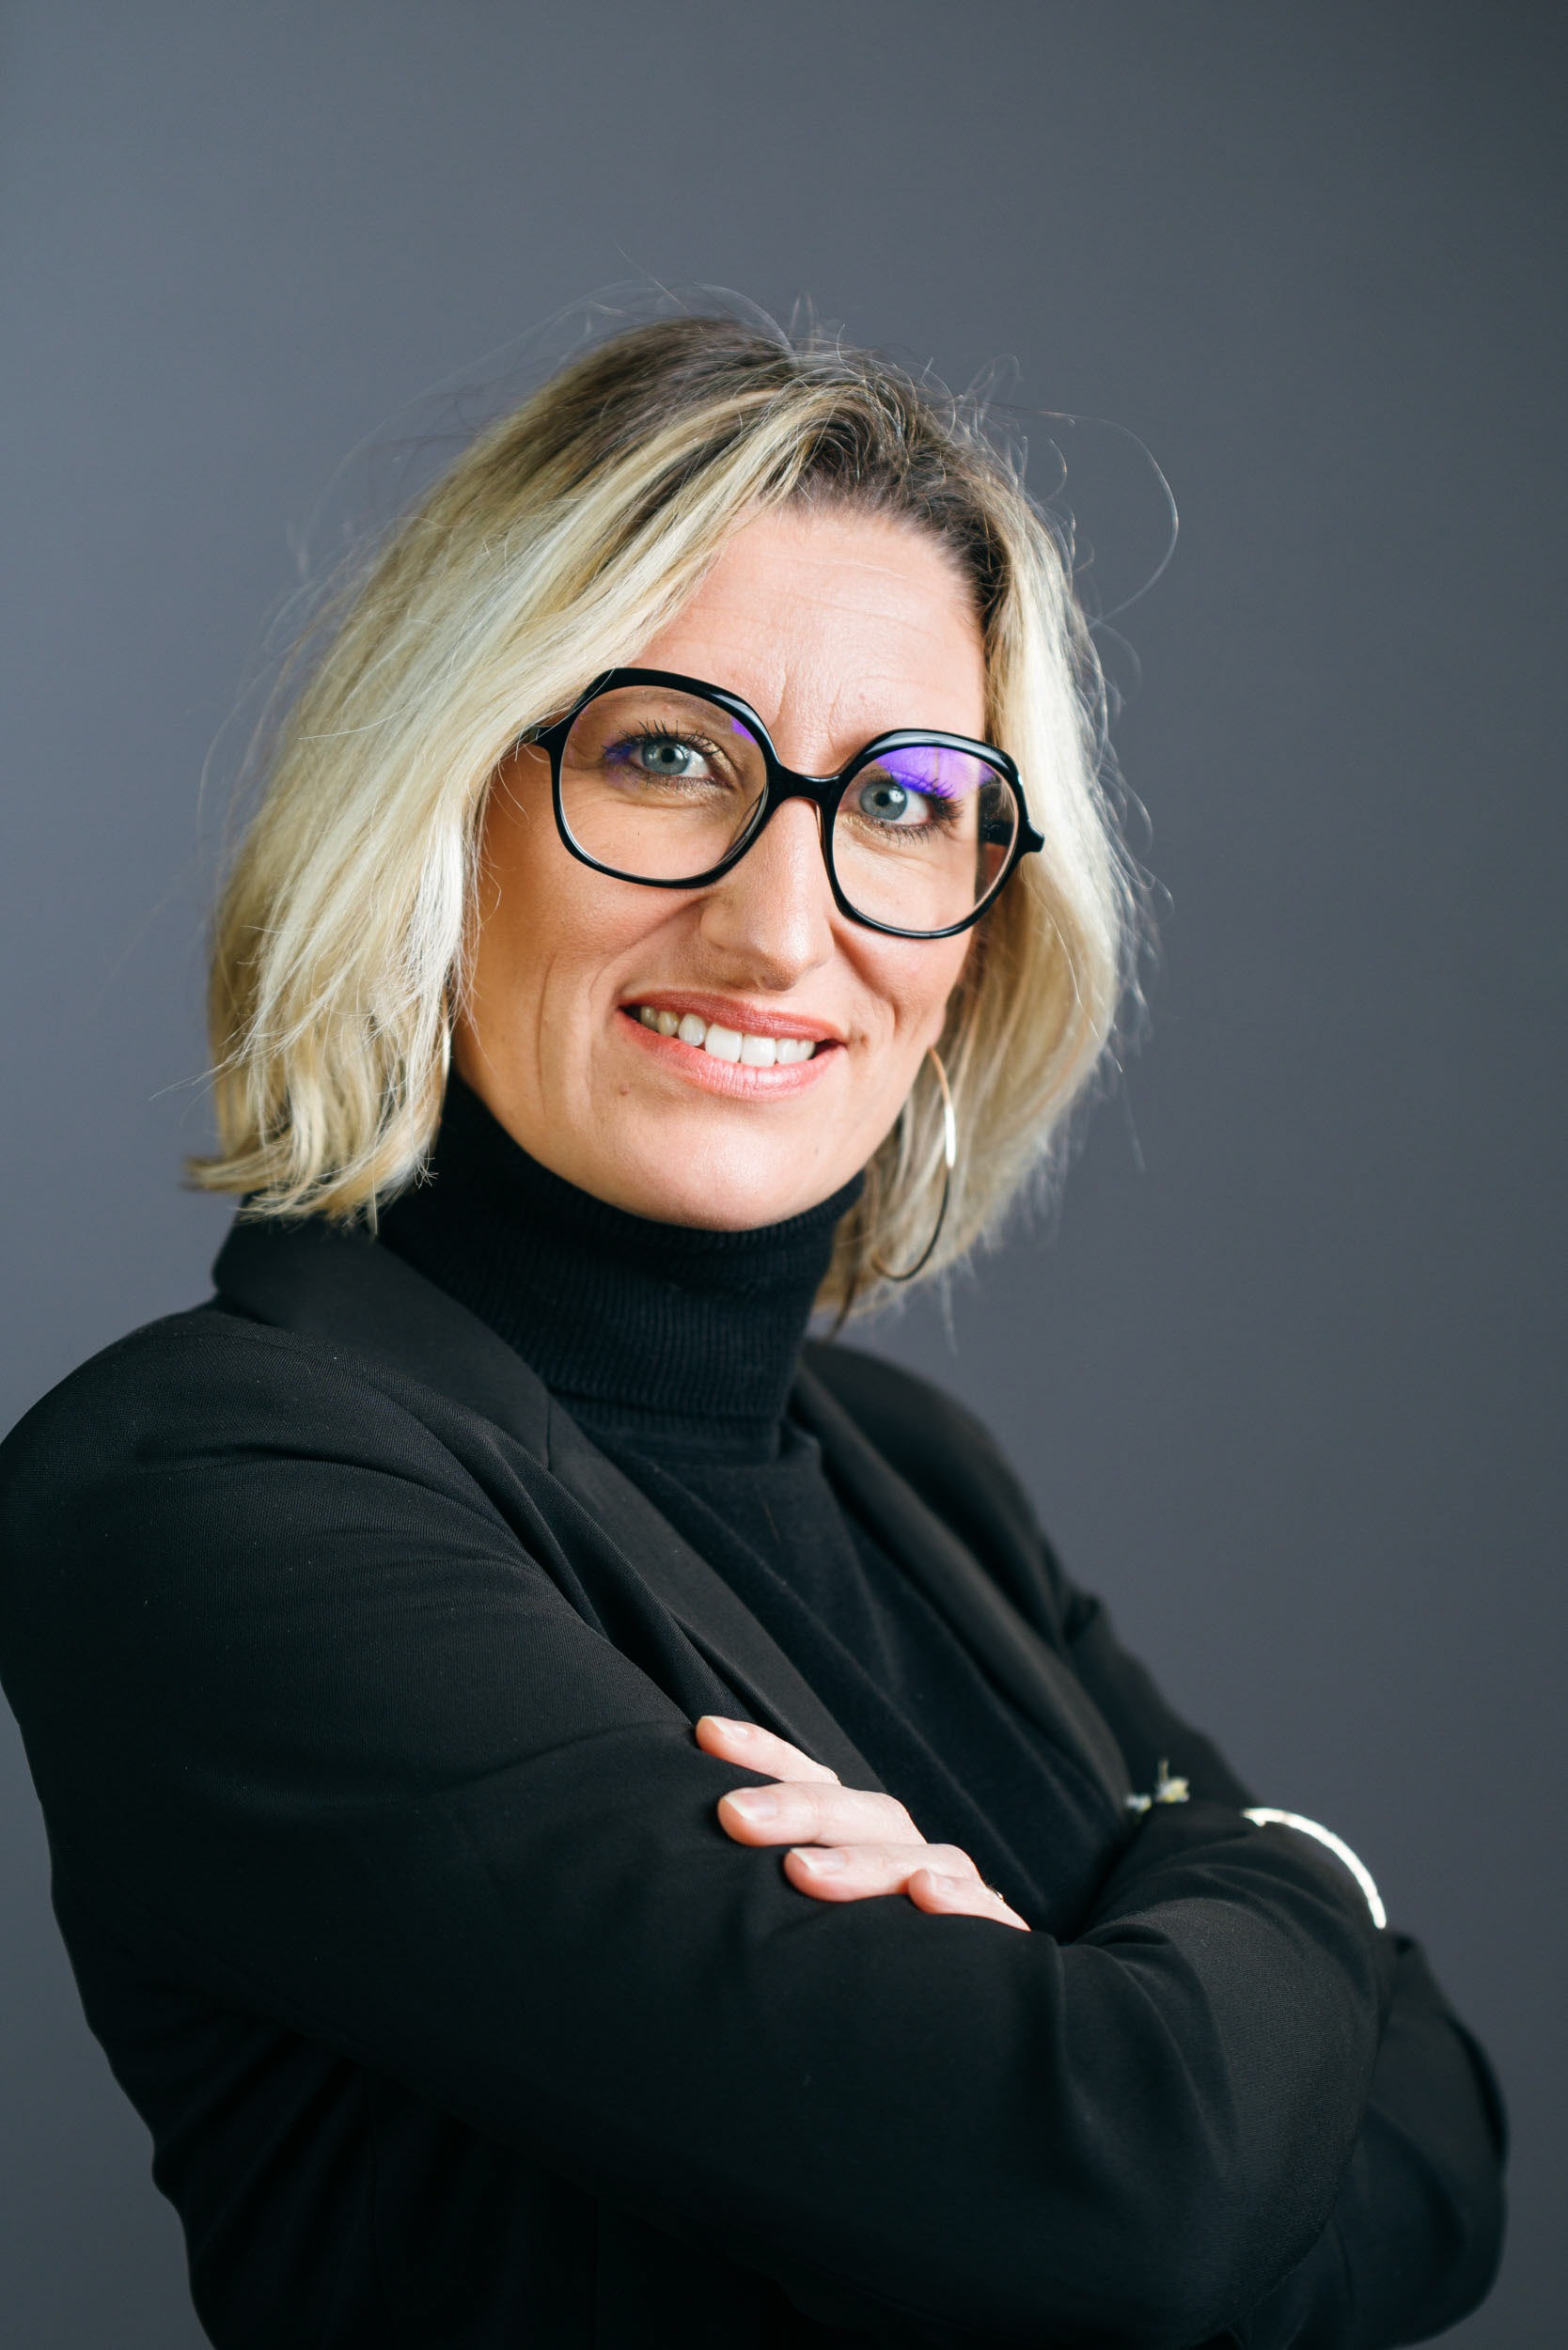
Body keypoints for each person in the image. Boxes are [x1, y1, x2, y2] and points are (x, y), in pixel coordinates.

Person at [0, 316, 1504, 2348]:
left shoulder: (914, 1471)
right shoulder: (202, 1490)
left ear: (985, 915)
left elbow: (1450, 2158)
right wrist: (1292, 1896)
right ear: (446, 804)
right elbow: (1120, 2200)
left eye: (904, 799)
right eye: (667, 755)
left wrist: (1150, 1997)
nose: (783, 924)